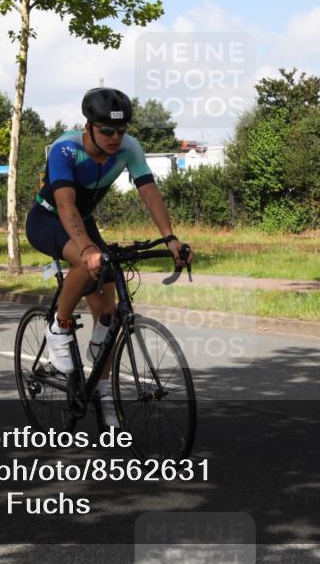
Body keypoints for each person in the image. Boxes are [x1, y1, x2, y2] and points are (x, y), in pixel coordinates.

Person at [25, 87, 193, 426]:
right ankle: (58, 326)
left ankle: (102, 392)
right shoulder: (65, 149)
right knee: (85, 264)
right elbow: (66, 204)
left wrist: (170, 239)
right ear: (89, 127)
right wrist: (87, 250)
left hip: (84, 223)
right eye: (107, 131)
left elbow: (150, 192)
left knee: (109, 310)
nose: (116, 138)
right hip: (48, 219)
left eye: (121, 130)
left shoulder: (129, 149)